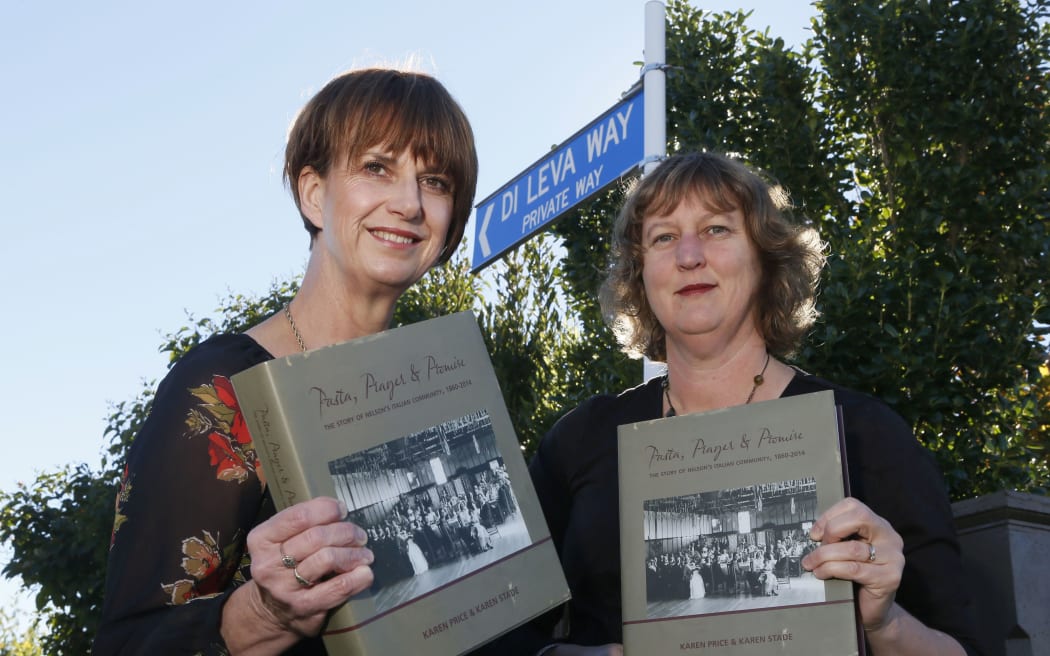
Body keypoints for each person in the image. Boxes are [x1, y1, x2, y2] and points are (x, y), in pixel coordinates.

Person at [519, 151, 984, 655]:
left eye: (716, 229)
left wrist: (885, 621)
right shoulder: (580, 440)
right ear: (641, 273)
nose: (689, 255)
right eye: (664, 237)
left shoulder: (865, 434)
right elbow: (499, 633)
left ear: (765, 259)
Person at [94, 67, 478, 655]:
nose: (409, 203)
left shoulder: (443, 393)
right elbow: (129, 643)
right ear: (314, 194)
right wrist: (260, 613)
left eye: (435, 181)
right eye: (377, 167)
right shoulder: (222, 389)